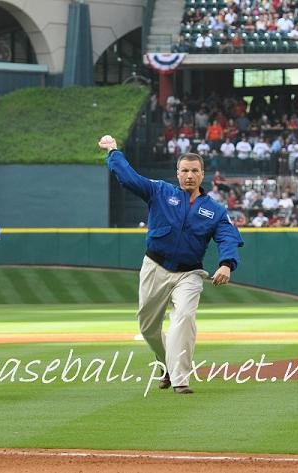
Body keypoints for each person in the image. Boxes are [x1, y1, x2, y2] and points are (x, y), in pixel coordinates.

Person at [98, 135, 243, 394]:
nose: (189, 175)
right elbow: (129, 178)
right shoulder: (160, 191)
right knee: (148, 326)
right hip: (156, 266)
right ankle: (165, 364)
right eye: (185, 171)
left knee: (184, 317)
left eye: (194, 171)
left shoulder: (215, 210)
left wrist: (226, 264)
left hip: (190, 273)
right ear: (177, 173)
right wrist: (113, 152)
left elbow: (228, 237)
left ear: (203, 174)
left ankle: (180, 379)